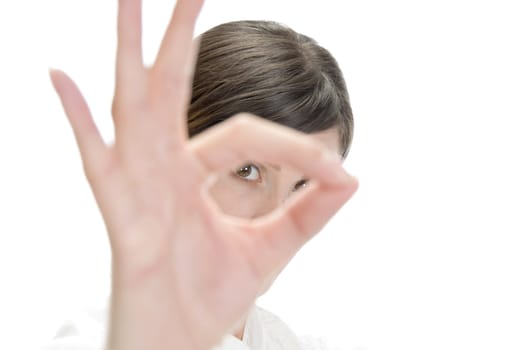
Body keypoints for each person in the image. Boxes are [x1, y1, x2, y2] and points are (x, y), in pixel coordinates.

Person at [46, 0, 359, 349]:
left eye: (304, 185)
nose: (275, 214)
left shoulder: (294, 343)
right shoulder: (100, 337)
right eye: (247, 170)